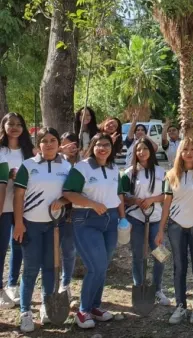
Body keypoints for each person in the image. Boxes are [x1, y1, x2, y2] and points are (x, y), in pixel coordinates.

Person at [62, 133, 126, 329]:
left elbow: (119, 194)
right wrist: (92, 203)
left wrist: (122, 217)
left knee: (103, 265)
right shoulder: (82, 167)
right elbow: (68, 193)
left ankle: (95, 307)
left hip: (111, 220)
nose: (103, 148)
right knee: (96, 266)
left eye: (106, 145)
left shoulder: (115, 168)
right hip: (86, 220)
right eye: (99, 145)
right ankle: (82, 311)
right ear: (92, 146)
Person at [12, 127, 72, 332]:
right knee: (30, 269)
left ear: (58, 143)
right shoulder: (28, 165)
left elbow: (72, 193)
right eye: (44, 140)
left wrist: (62, 200)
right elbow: (18, 195)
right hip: (31, 225)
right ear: (38, 144)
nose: (48, 144)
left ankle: (47, 306)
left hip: (56, 226)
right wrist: (19, 223)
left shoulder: (66, 166)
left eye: (52, 140)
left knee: (50, 267)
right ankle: (25, 311)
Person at [155, 137, 193, 324]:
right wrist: (160, 230)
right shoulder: (171, 175)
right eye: (185, 149)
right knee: (179, 267)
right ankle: (180, 306)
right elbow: (166, 205)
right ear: (179, 152)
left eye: (192, 149)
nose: (189, 153)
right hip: (176, 226)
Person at [122, 137, 170, 308]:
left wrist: (152, 200)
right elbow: (122, 197)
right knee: (138, 255)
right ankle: (139, 286)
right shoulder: (129, 173)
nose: (141, 152)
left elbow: (167, 195)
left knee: (161, 254)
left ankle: (157, 288)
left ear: (151, 151)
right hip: (136, 219)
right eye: (138, 149)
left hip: (156, 218)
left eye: (145, 149)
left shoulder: (161, 172)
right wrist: (135, 200)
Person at [0, 112, 34, 307]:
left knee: (19, 244)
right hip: (3, 207)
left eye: (19, 124)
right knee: (2, 248)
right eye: (10, 124)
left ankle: (13, 284)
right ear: (3, 126)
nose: (14, 127)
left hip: (24, 206)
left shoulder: (28, 151)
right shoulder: (0, 150)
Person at [58, 133, 80, 299]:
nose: (71, 146)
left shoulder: (81, 164)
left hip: (71, 214)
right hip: (51, 213)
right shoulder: (54, 160)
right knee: (51, 251)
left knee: (69, 250)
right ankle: (51, 284)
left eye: (74, 144)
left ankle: (65, 284)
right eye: (67, 143)